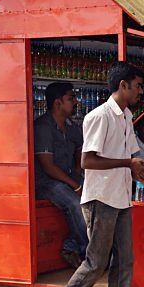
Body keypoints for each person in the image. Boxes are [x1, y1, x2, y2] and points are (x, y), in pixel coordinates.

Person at [50, 62, 144, 287]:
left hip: (121, 197)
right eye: (138, 86)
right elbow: (88, 161)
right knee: (97, 261)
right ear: (123, 86)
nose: (140, 91)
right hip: (100, 198)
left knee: (125, 261)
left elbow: (131, 155)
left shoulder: (126, 116)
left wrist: (140, 172)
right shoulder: (99, 117)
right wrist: (128, 164)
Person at [34, 82, 88, 269]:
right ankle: (89, 253)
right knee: (74, 202)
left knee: (99, 196)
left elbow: (80, 153)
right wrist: (76, 185)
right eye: (71, 98)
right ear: (58, 103)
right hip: (46, 183)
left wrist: (78, 174)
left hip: (68, 179)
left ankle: (71, 245)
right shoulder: (43, 127)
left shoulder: (72, 127)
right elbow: (48, 167)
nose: (75, 101)